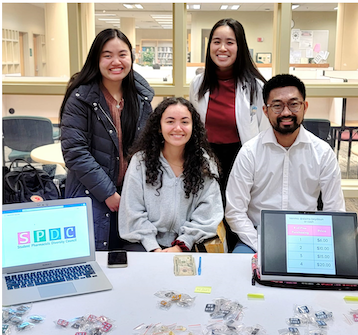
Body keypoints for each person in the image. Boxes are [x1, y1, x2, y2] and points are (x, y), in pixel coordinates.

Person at [225, 74, 346, 253]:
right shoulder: (250, 152)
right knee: (239, 274)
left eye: (293, 104)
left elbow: (335, 210)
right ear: (266, 111)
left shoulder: (322, 153)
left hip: (307, 236)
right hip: (258, 236)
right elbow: (234, 211)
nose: (286, 112)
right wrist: (261, 246)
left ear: (304, 107)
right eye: (277, 106)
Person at [59, 28, 154, 251]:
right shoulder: (80, 98)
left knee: (133, 261)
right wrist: (109, 193)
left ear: (131, 57)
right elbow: (75, 153)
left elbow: (147, 147)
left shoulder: (140, 97)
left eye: (122, 54)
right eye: (107, 55)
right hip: (91, 193)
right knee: (96, 258)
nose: (116, 61)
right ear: (96, 59)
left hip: (130, 194)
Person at [118, 98, 223, 252]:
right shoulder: (141, 161)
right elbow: (132, 210)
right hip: (143, 244)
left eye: (185, 122)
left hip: (189, 243)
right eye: (170, 121)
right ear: (159, 127)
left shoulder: (205, 163)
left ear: (193, 127)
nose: (178, 128)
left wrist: (181, 245)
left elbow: (208, 212)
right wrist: (153, 248)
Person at [189, 18, 267, 194]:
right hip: (206, 160)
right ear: (209, 46)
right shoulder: (198, 84)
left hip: (241, 160)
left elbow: (264, 133)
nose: (222, 48)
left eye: (229, 42)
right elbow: (193, 127)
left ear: (240, 47)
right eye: (217, 42)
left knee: (236, 212)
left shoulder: (257, 87)